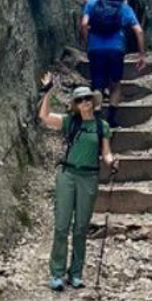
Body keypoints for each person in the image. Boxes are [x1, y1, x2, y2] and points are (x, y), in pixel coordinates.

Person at [37, 76, 113, 290]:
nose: (85, 103)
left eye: (87, 99)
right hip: (68, 175)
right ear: (76, 105)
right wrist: (48, 92)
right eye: (80, 100)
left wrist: (112, 162)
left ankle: (76, 273)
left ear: (93, 101)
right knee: (62, 225)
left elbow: (105, 152)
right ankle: (57, 273)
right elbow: (44, 116)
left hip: (89, 177)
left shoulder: (102, 126)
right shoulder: (70, 122)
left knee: (80, 227)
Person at [79, 0, 146, 106]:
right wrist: (141, 54)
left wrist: (89, 41)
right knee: (115, 84)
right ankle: (111, 118)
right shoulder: (125, 9)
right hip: (116, 49)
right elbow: (139, 31)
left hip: (95, 49)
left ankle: (97, 112)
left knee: (97, 85)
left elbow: (84, 24)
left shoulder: (92, 5)